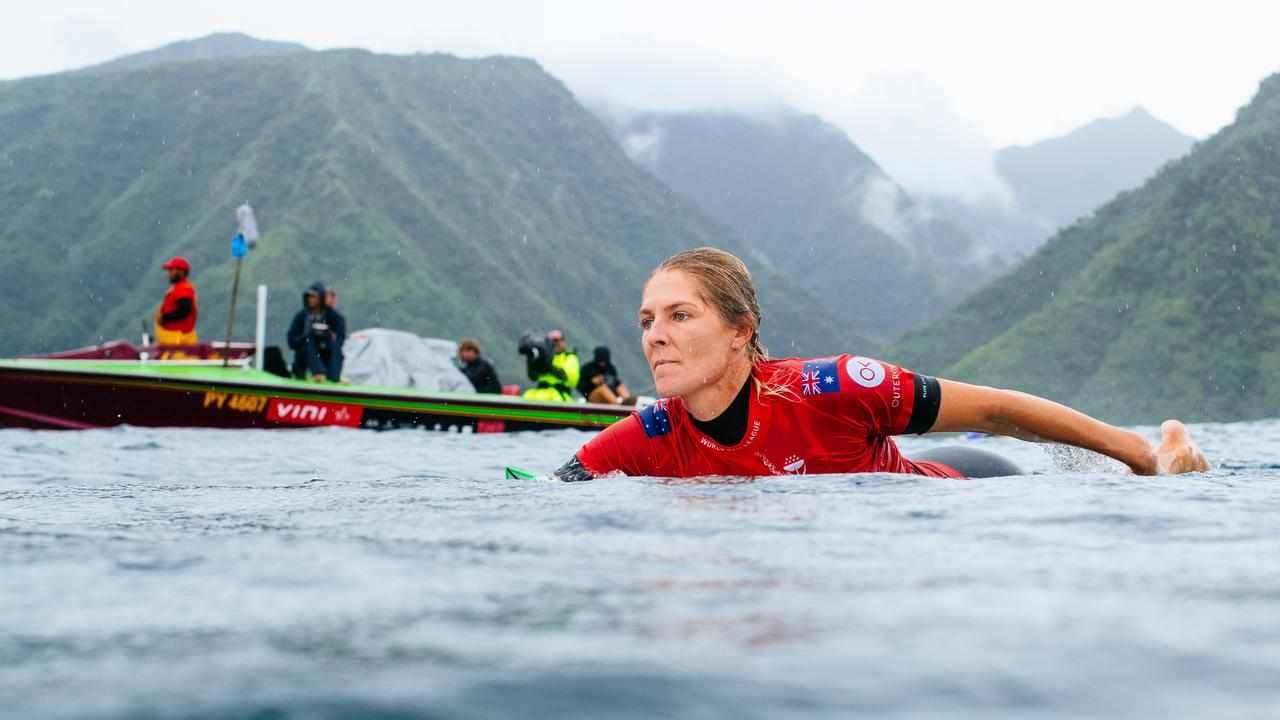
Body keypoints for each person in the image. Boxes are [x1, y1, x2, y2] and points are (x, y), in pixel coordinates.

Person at [551, 247, 1210, 482]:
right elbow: (541, 497)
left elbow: (996, 411)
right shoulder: (646, 436)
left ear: (740, 332)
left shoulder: (830, 388)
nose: (656, 337)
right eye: (647, 321)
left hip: (968, 485)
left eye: (679, 315)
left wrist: (1140, 456)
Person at [286, 282, 346, 382]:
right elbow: (291, 341)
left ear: (321, 298)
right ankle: (318, 373)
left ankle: (334, 377)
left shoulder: (334, 316)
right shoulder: (302, 316)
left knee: (334, 346)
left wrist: (328, 336)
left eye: (314, 297)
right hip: (304, 357)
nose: (311, 299)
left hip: (327, 356)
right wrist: (307, 335)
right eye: (309, 296)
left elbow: (340, 340)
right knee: (308, 341)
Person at [154, 256, 199, 358]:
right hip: (174, 340)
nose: (169, 273)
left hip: (178, 340)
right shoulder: (180, 288)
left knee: (175, 363)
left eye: (171, 270)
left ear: (181, 271)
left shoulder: (183, 289)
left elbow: (184, 310)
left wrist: (164, 317)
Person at [519, 331, 574, 402]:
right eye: (549, 341)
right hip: (538, 395)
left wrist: (550, 367)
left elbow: (569, 378)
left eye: (556, 340)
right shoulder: (541, 356)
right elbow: (533, 377)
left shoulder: (569, 357)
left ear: (563, 341)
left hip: (560, 397)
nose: (553, 343)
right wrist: (531, 361)